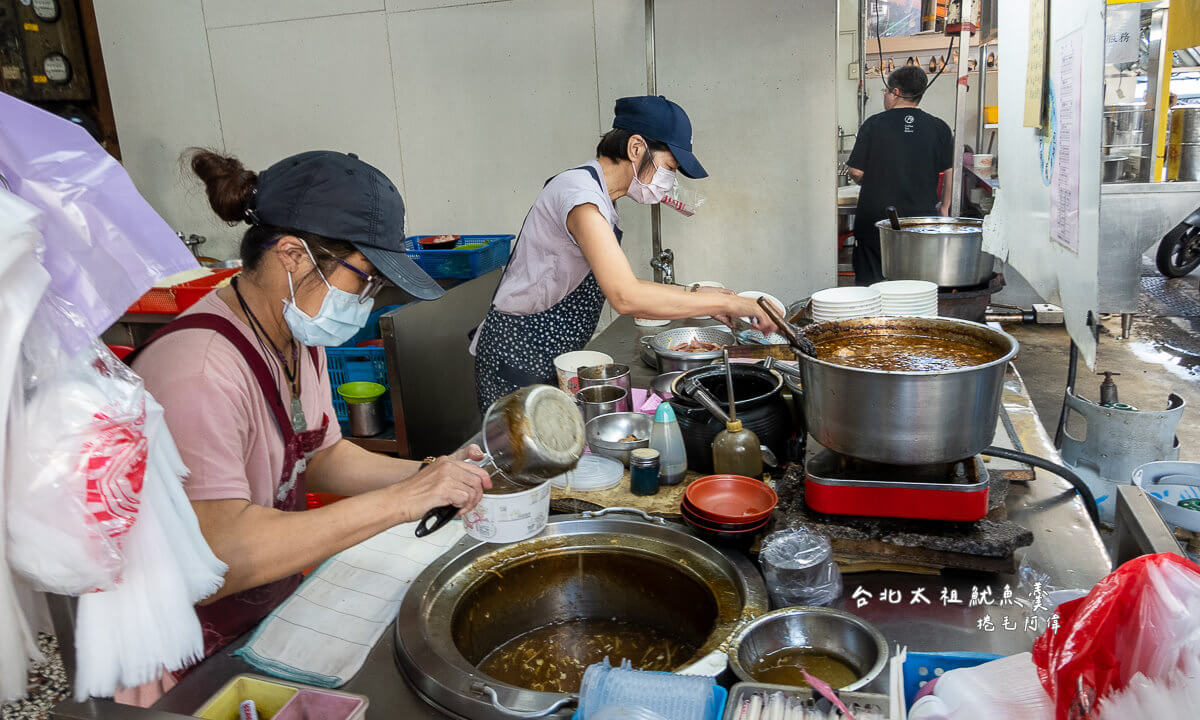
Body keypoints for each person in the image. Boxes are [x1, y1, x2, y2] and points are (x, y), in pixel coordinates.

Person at [120, 150, 491, 702]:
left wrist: (432, 473)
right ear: (292, 254)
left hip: (263, 620)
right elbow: (215, 557)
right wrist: (404, 500)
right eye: (363, 279)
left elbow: (318, 455)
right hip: (187, 660)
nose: (366, 300)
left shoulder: (295, 334)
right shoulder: (198, 371)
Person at [471, 95, 779, 410]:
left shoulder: (601, 198)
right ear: (635, 148)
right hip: (519, 352)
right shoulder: (581, 198)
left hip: (548, 350)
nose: (668, 182)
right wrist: (736, 303)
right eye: (669, 167)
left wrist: (695, 292)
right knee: (516, 456)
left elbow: (623, 282)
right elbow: (625, 296)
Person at [846, 66, 954, 286]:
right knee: (915, 286)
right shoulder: (939, 127)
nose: (885, 97)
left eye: (885, 92)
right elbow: (951, 170)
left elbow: (856, 171)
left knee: (871, 287)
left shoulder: (873, 124)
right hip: (919, 222)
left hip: (875, 221)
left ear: (894, 92)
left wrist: (878, 178)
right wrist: (944, 207)